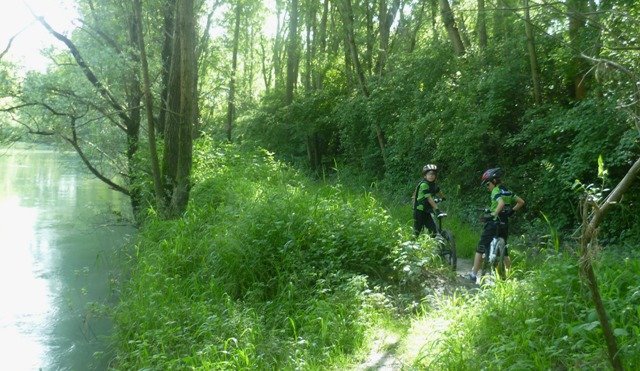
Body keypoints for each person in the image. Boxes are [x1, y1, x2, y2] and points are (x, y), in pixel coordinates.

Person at [467, 168, 525, 283]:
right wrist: (511, 212)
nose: (487, 187)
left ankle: (473, 274)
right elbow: (521, 202)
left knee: (481, 247)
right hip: (505, 223)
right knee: (505, 252)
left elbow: (501, 203)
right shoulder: (507, 190)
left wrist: (494, 213)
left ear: (493, 181)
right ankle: (510, 277)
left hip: (494, 223)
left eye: (487, 184)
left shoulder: (496, 191)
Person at [412, 164, 445, 237]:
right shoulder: (424, 184)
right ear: (425, 176)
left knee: (433, 232)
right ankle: (412, 246)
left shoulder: (433, 184)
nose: (431, 176)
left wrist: (443, 197)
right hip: (419, 211)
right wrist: (437, 209)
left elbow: (438, 191)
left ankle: (433, 247)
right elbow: (429, 198)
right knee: (417, 232)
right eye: (429, 174)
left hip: (426, 211)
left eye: (433, 174)